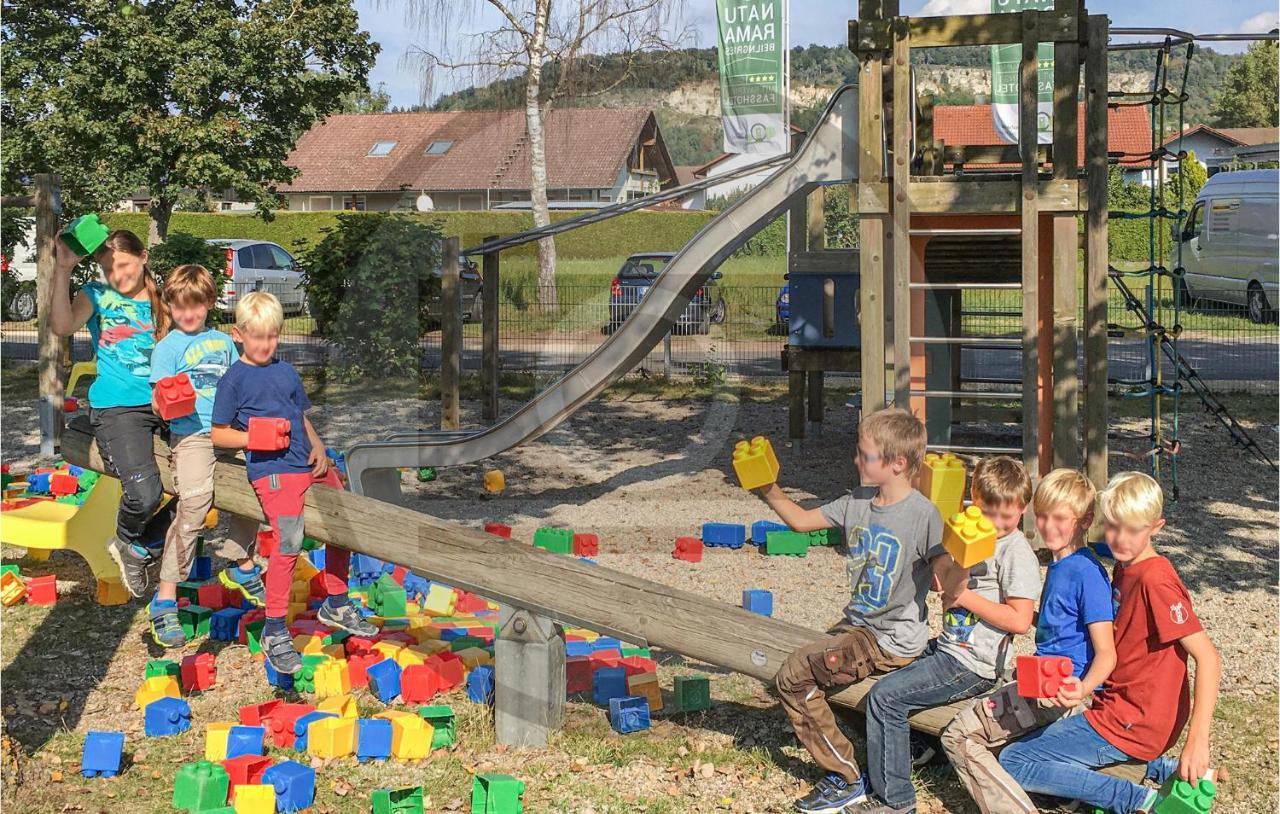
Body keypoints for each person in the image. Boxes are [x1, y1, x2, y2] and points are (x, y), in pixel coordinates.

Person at [754, 408, 949, 814]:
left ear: (897, 464)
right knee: (821, 663)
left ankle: (846, 779)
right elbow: (801, 521)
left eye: (865, 455)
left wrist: (957, 559)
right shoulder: (857, 502)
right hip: (859, 624)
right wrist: (768, 487)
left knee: (793, 676)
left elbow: (947, 576)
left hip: (889, 639)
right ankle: (911, 744)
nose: (856, 461)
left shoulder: (923, 515)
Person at [998, 471, 1222, 813]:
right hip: (1119, 708)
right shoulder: (1125, 566)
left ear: (1156, 527)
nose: (1119, 538)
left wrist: (1198, 740)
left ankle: (1136, 801)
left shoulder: (1156, 580)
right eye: (1113, 526)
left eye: (1133, 530)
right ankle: (1158, 769)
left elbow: (1208, 658)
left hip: (1133, 721)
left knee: (1014, 760)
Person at [853, 457, 1041, 814]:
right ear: (973, 498)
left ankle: (895, 800)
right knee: (876, 672)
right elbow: (943, 580)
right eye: (988, 512)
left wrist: (963, 596)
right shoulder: (971, 532)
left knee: (886, 698)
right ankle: (921, 746)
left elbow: (1020, 620)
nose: (998, 523)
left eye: (1008, 515)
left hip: (973, 663)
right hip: (949, 647)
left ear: (1023, 509)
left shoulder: (1017, 554)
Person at [210, 291, 375, 674]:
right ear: (238, 335)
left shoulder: (285, 371)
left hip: (305, 464)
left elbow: (299, 416)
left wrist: (318, 447)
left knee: (342, 522)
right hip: (273, 473)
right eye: (257, 337)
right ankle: (273, 629)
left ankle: (337, 599)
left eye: (271, 337)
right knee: (289, 541)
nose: (265, 344)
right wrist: (253, 439)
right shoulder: (233, 380)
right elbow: (218, 434)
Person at [941, 468, 1116, 814]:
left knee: (957, 737)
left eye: (1060, 519)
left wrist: (1080, 691)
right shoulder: (1059, 563)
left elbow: (1107, 652)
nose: (1049, 526)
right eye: (1043, 515)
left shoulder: (1087, 573)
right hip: (1037, 679)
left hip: (1058, 692)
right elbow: (1060, 625)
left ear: (1085, 520)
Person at [146, 264, 264, 646]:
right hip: (193, 436)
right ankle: (165, 599)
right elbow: (157, 400)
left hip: (226, 430)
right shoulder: (167, 347)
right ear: (170, 307)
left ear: (210, 303)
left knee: (260, 484)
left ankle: (240, 560)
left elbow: (238, 385)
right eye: (180, 307)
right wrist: (167, 404)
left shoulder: (224, 343)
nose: (188, 314)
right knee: (194, 506)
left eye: (195, 306)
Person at [49, 230, 169, 597]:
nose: (117, 275)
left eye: (123, 265)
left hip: (164, 405)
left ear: (143, 256)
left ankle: (139, 548)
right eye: (108, 268)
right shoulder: (97, 295)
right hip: (117, 408)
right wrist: (63, 269)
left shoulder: (163, 299)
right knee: (146, 494)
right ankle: (126, 537)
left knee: (201, 487)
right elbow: (62, 326)